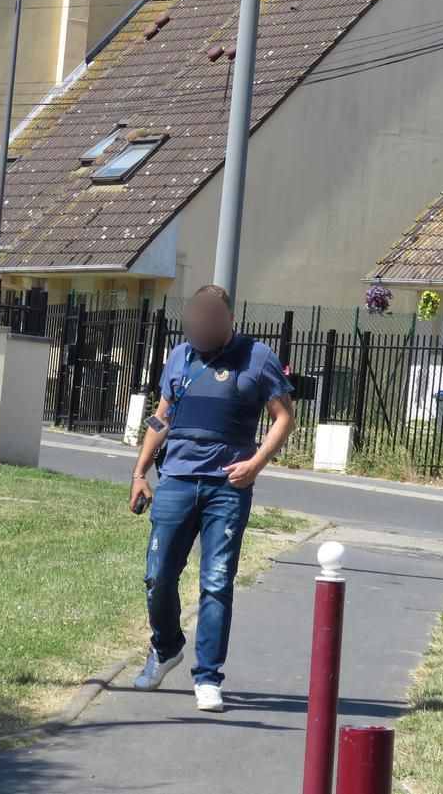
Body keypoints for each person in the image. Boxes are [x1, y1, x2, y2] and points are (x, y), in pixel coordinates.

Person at [129, 284, 295, 712]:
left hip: (227, 487)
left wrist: (255, 464)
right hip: (177, 481)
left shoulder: (257, 358)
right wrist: (139, 472)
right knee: (157, 575)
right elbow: (160, 418)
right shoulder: (180, 357)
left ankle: (208, 677)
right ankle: (166, 647)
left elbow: (284, 417)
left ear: (229, 321)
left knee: (216, 582)